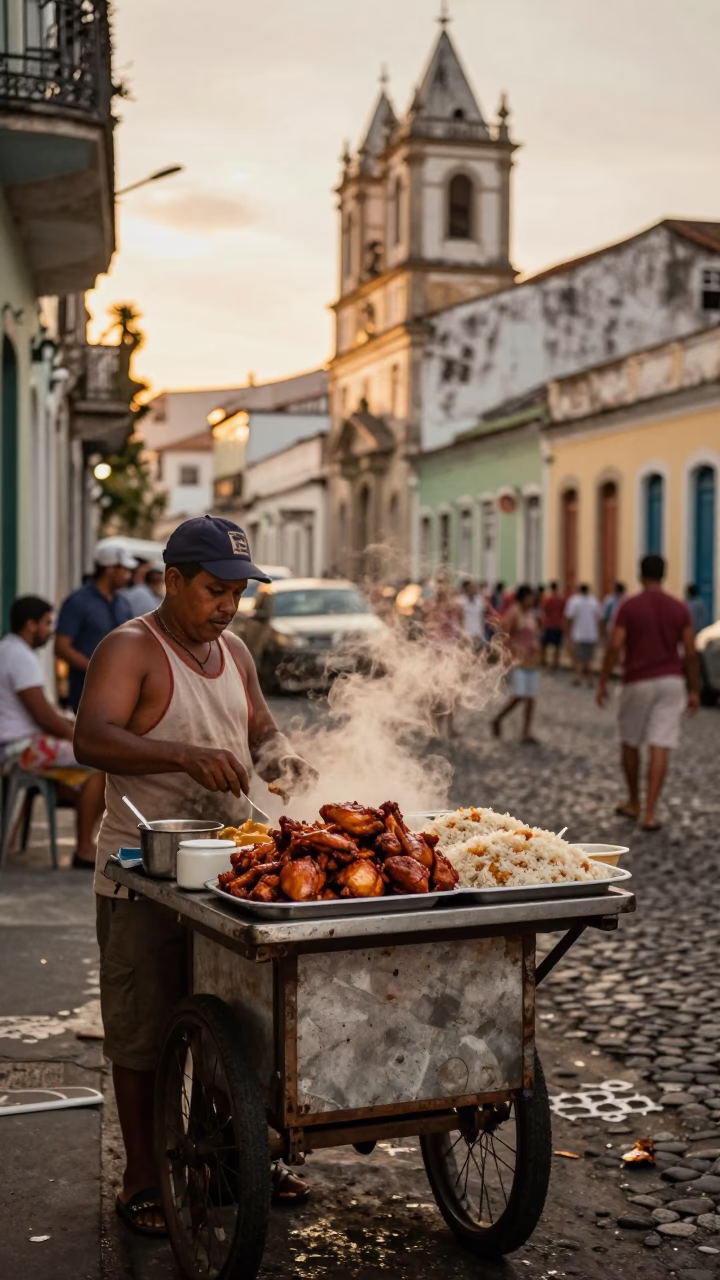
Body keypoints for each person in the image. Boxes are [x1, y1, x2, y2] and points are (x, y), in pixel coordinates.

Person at [73, 515, 317, 1235]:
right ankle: (143, 1176)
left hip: (228, 871)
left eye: (237, 593)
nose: (227, 606)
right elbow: (91, 737)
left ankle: (225, 1160)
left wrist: (284, 760)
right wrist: (182, 755)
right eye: (214, 590)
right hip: (142, 871)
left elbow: (262, 730)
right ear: (172, 580)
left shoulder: (235, 652)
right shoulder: (130, 649)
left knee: (233, 1028)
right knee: (143, 1032)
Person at [0, 596, 105, 866]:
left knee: (90, 766)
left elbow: (45, 713)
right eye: (47, 623)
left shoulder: (9, 651)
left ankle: (80, 834)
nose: (50, 630)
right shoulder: (19, 657)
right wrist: (80, 739)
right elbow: (44, 716)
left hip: (19, 744)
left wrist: (71, 726)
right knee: (101, 763)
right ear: (31, 625)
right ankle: (84, 850)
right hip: (19, 747)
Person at [597, 554, 699, 832]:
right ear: (664, 575)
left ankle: (633, 801)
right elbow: (690, 651)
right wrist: (694, 689)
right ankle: (650, 813)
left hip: (637, 680)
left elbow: (615, 645)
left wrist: (603, 680)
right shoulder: (679, 608)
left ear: (640, 575)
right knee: (660, 745)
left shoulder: (629, 606)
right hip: (671, 681)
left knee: (630, 741)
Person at [55, 542, 136, 711]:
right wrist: (95, 668)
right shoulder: (77, 602)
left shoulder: (123, 603)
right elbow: (61, 647)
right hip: (86, 693)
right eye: (124, 570)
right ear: (109, 569)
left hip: (121, 693)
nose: (128, 575)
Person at [491, 585, 541, 744]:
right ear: (522, 597)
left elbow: (534, 634)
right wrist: (506, 657)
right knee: (519, 695)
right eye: (529, 597)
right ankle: (498, 719)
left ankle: (526, 732)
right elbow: (504, 636)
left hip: (531, 661)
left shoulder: (531, 614)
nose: (532, 600)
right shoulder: (513, 613)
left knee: (531, 698)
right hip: (517, 660)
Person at [564, 584, 601, 686]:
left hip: (579, 634)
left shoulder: (574, 601)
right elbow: (599, 617)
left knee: (579, 658)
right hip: (591, 634)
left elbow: (569, 617)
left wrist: (567, 631)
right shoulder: (594, 601)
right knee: (589, 659)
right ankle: (590, 679)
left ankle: (578, 678)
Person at [541, 581, 566, 669]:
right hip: (558, 624)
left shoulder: (548, 599)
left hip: (549, 624)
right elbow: (564, 611)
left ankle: (543, 661)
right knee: (557, 646)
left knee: (544, 644)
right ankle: (555, 663)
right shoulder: (561, 599)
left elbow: (544, 610)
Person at [458, 579, 486, 652]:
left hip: (478, 633)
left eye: (474, 587)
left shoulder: (480, 601)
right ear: (467, 588)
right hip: (466, 634)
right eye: (471, 587)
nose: (473, 589)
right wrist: (462, 634)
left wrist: (482, 632)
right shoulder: (461, 601)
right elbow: (460, 619)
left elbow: (482, 617)